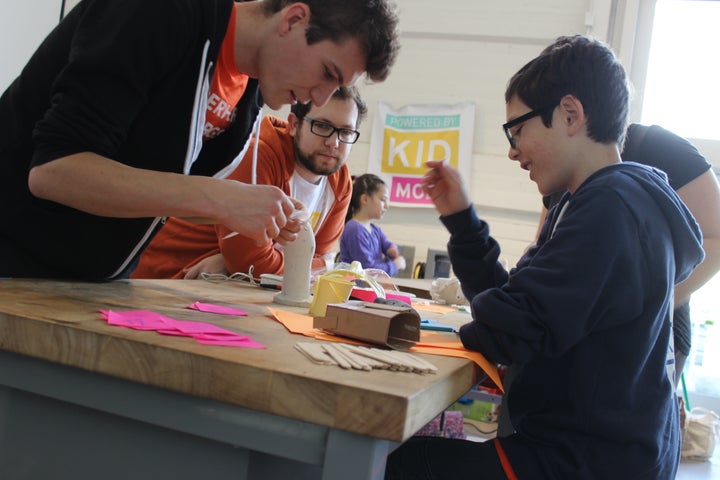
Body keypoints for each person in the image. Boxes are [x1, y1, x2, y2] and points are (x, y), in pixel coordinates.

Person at [384, 35, 704, 479]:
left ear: (570, 114)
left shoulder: (612, 207)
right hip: (597, 454)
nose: (513, 150)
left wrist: (484, 322)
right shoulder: (588, 203)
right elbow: (515, 305)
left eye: (518, 130)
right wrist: (462, 221)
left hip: (584, 463)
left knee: (392, 464)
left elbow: (512, 332)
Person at [0, 0, 400, 280]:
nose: (320, 98)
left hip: (86, 281)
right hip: (16, 265)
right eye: (327, 73)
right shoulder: (158, 11)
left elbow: (163, 197)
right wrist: (219, 199)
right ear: (293, 20)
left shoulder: (249, 91)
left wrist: (244, 212)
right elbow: (53, 171)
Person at [538, 124, 720, 385]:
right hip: (576, 334)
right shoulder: (561, 163)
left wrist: (643, 309)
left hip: (651, 336)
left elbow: (714, 242)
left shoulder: (657, 146)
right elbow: (542, 250)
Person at [131, 86, 366, 279]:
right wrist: (245, 263)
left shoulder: (341, 182)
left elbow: (322, 264)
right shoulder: (258, 155)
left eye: (346, 132)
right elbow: (250, 264)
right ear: (294, 125)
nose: (334, 142)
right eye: (322, 126)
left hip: (227, 292)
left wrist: (238, 262)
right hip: (165, 283)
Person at [339, 173, 406, 276]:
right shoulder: (354, 229)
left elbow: (387, 243)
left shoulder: (375, 229)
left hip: (370, 288)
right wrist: (394, 265)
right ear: (365, 199)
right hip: (356, 289)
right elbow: (366, 269)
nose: (387, 206)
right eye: (383, 200)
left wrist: (392, 249)